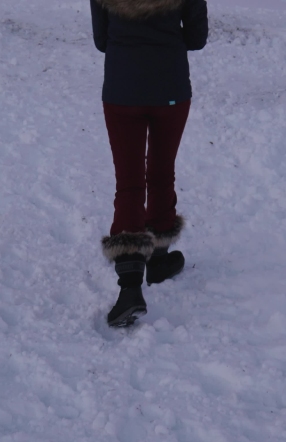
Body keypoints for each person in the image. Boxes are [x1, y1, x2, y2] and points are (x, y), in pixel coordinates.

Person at [90, 0, 208, 327]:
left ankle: (130, 287)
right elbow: (197, 38)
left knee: (129, 183)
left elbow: (102, 41)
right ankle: (158, 258)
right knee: (161, 172)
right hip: (170, 86)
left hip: (121, 89)